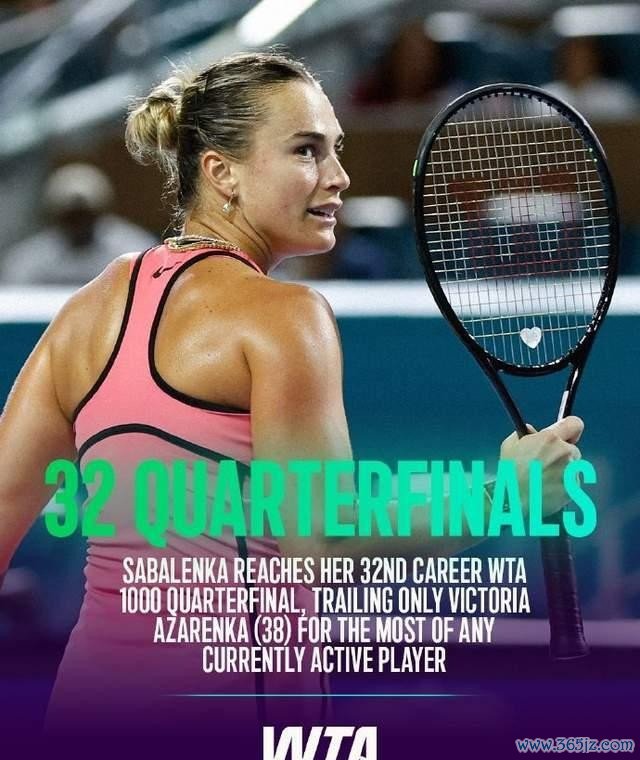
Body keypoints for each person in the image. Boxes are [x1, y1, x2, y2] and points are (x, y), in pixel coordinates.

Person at [0, 51, 583, 738]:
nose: (338, 176)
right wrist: (502, 496)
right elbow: (325, 545)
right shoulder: (285, 317)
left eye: (336, 149)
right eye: (306, 150)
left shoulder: (84, 314)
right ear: (221, 172)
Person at [0, 163, 155, 285]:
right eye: (70, 217)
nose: (79, 224)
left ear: (100, 212)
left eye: (85, 215)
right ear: (55, 216)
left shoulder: (134, 251)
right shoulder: (30, 260)